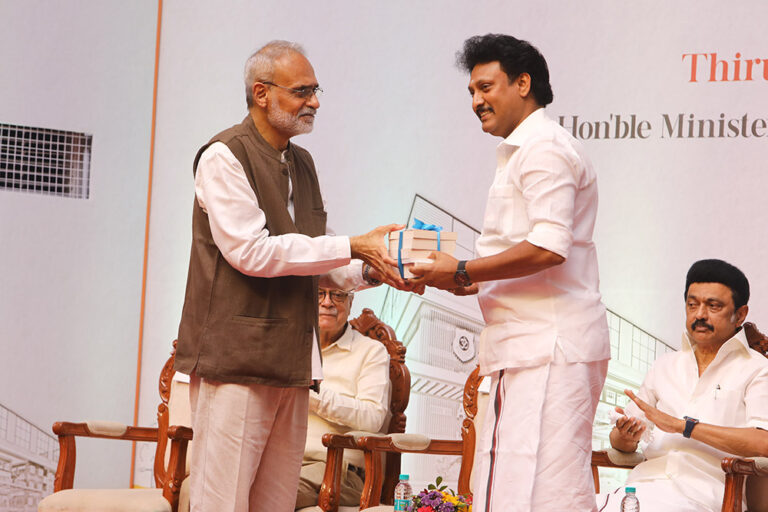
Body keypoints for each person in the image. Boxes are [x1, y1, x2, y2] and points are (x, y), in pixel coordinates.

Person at [174, 40, 403, 512]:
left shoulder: (302, 162)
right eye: (302, 91)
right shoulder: (224, 156)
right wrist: (356, 244)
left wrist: (372, 268)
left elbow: (312, 247)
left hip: (294, 364)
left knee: (274, 504)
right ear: (261, 94)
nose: (314, 101)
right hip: (237, 362)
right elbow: (253, 252)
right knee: (223, 503)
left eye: (315, 90)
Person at [410, 34, 610, 511]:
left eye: (486, 87)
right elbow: (523, 258)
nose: (477, 102)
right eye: (471, 93)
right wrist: (453, 277)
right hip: (534, 346)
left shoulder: (543, 148)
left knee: (537, 492)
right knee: (530, 488)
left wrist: (460, 267)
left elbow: (548, 246)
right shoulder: (523, 150)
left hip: (546, 348)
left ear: (523, 84)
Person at [597, 259, 768, 512]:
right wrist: (625, 435)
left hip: (703, 496)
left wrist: (684, 427)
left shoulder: (757, 369)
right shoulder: (664, 365)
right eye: (692, 304)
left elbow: (763, 441)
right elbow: (621, 444)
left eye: (713, 306)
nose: (700, 315)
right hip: (640, 489)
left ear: (740, 314)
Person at [294, 287, 390, 510]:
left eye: (337, 295)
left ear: (350, 302)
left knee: (266, 494)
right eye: (319, 293)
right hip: (283, 459)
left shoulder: (371, 351)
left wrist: (313, 395)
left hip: (337, 468)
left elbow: (373, 417)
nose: (327, 302)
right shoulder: (293, 345)